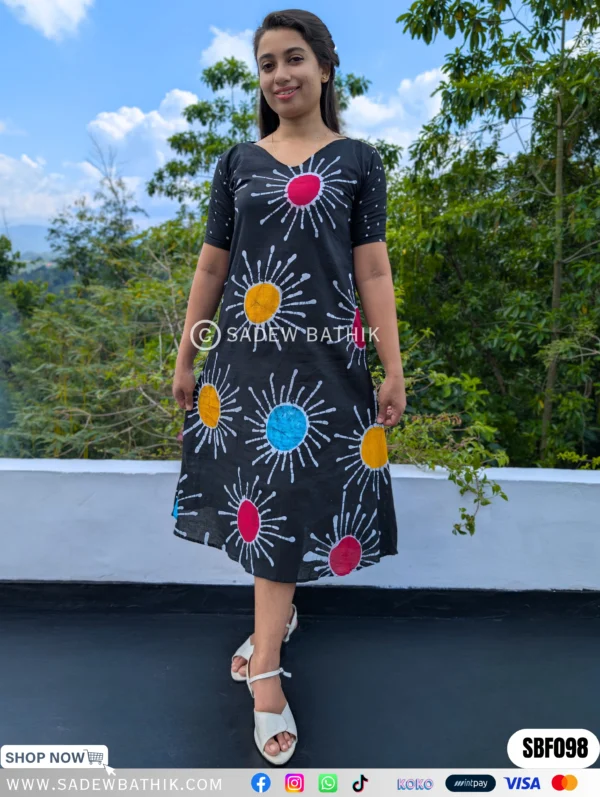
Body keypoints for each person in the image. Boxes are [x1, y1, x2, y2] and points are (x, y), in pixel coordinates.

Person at [171, 9, 406, 765]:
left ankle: (266, 648)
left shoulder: (359, 161)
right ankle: (268, 664)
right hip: (246, 364)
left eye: (294, 58)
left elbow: (372, 268)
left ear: (325, 68)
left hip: (330, 363)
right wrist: (187, 352)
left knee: (299, 497)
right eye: (268, 63)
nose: (281, 75)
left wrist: (392, 364)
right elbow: (213, 263)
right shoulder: (238, 161)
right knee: (268, 501)